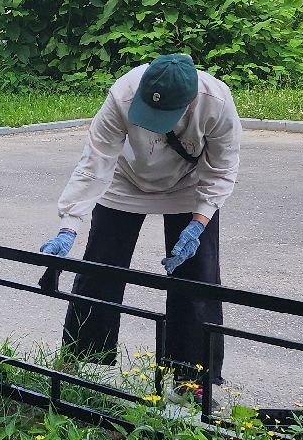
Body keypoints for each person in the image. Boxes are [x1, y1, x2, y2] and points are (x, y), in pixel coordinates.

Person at [38, 53, 241, 384]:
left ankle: (193, 380)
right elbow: (95, 163)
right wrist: (68, 226)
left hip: (188, 187)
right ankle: (82, 361)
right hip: (124, 179)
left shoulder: (216, 102)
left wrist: (198, 224)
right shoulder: (123, 94)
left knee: (197, 278)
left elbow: (221, 169)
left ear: (189, 104)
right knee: (100, 267)